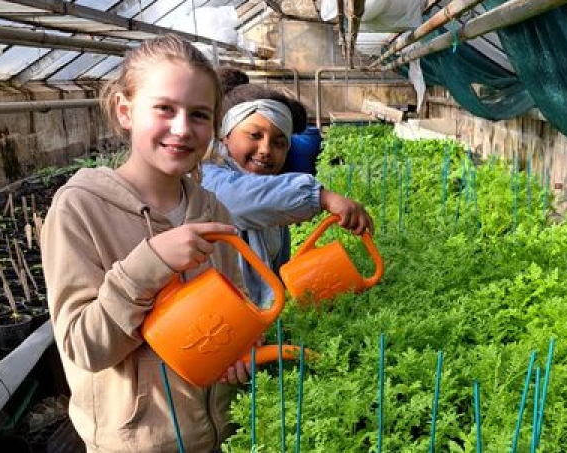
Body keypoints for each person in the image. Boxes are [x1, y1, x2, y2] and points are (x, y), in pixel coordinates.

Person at [41, 35, 256, 452]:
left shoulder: (213, 210)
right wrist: (150, 263)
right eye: (164, 108)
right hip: (138, 442)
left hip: (221, 434)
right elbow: (83, 346)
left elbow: (237, 304)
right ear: (125, 111)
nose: (182, 128)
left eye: (199, 115)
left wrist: (243, 346)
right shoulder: (80, 209)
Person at [201, 82, 374, 306]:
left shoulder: (271, 190)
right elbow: (235, 200)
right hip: (211, 314)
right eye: (254, 135)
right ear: (226, 135)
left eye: (279, 143)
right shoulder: (206, 175)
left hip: (250, 317)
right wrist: (321, 197)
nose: (266, 149)